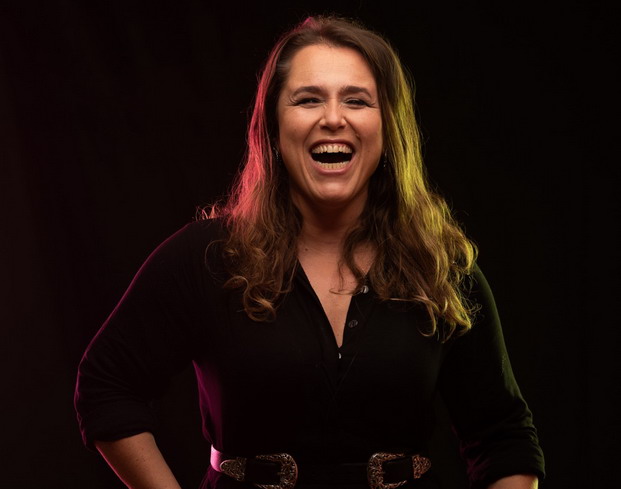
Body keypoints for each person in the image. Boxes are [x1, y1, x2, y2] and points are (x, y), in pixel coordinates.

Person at [75, 15, 545, 489]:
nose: (333, 118)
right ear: (274, 125)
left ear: (388, 127)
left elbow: (504, 438)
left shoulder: (440, 267)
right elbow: (106, 386)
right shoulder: (209, 258)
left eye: (357, 100)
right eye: (308, 99)